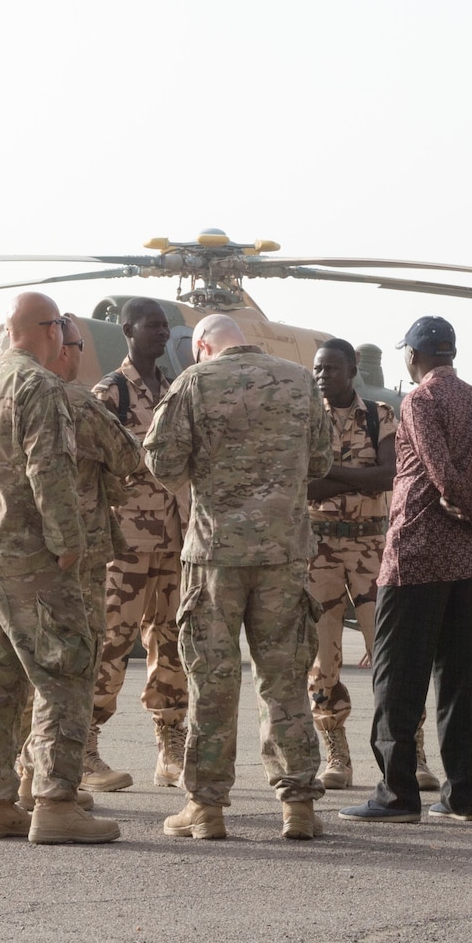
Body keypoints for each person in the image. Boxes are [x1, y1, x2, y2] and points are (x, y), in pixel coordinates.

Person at [145, 313, 332, 841]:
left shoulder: (193, 382)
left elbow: (162, 464)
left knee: (213, 681)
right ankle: (298, 805)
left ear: (201, 345)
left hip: (214, 558)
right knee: (285, 678)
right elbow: (320, 460)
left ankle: (206, 808)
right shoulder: (299, 381)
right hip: (284, 554)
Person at [0, 292, 118, 845]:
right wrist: (68, 542)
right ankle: (57, 803)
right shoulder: (39, 385)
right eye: (63, 328)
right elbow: (50, 468)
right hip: (28, 558)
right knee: (64, 673)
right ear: (48, 331)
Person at [342, 317, 472, 824]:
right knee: (460, 682)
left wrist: (470, 513)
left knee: (396, 679)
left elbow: (443, 479)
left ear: (414, 356)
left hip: (416, 556)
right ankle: (464, 795)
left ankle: (396, 795)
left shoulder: (419, 401)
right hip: (467, 564)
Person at [14, 316, 145, 812]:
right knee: (69, 672)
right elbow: (129, 456)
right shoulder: (73, 401)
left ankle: (15, 785)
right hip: (74, 557)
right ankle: (52, 788)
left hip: (6, 558)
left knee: (16, 674)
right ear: (63, 348)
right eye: (77, 346)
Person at [88, 298, 187, 790]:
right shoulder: (110, 393)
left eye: (166, 327)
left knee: (171, 643)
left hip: (173, 540)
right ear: (127, 329)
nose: (162, 334)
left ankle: (171, 747)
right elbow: (92, 464)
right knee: (111, 642)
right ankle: (83, 744)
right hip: (125, 543)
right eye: (152, 326)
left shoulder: (174, 390)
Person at [305, 338, 396, 790]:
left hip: (369, 549)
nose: (323, 377)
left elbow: (388, 475)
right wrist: (351, 483)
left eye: (332, 369)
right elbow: (301, 482)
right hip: (317, 550)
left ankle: (407, 750)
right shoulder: (304, 418)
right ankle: (335, 753)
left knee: (389, 654)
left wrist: (330, 480)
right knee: (322, 658)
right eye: (318, 369)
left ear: (352, 369)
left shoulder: (380, 415)